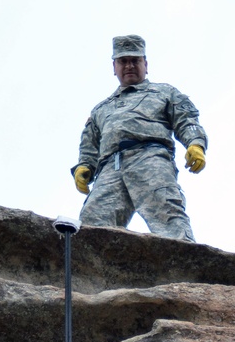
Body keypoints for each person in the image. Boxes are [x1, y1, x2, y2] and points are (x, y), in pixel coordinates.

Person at [72, 35, 208, 242]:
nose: (129, 66)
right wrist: (84, 166)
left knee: (167, 215)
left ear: (145, 64)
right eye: (123, 61)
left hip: (150, 158)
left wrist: (195, 144)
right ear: (114, 67)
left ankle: (184, 269)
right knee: (92, 223)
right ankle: (91, 273)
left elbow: (186, 120)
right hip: (110, 168)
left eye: (135, 60)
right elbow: (90, 144)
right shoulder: (101, 108)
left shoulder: (164, 92)